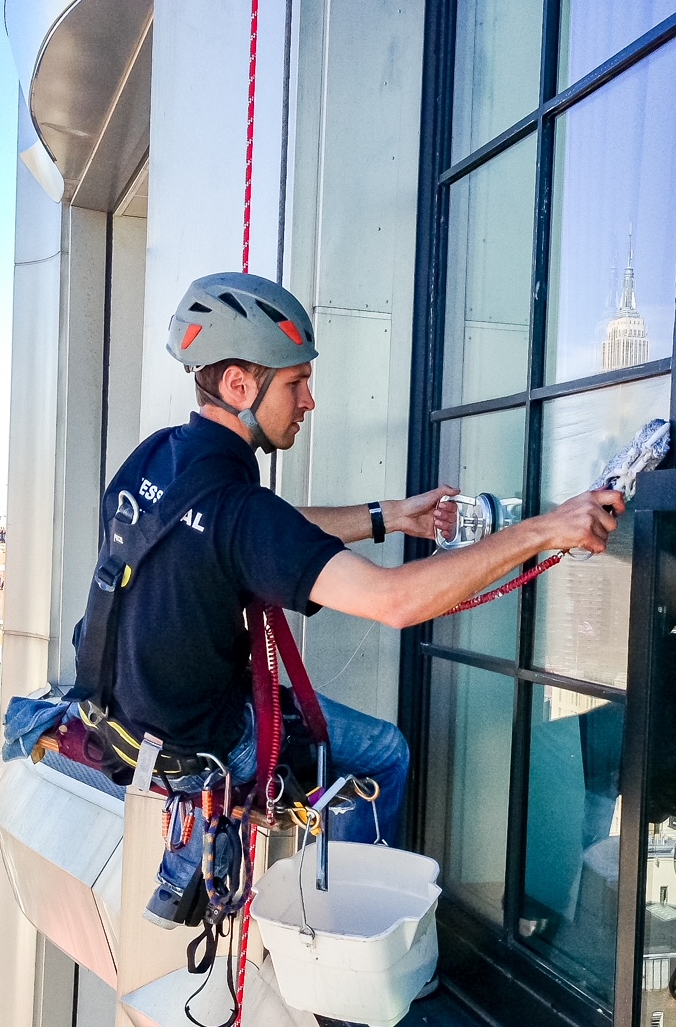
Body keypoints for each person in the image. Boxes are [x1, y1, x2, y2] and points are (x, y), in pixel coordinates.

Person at [98, 272, 622, 847]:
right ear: (239, 384)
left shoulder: (155, 460)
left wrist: (390, 516)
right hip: (201, 740)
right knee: (384, 755)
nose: (308, 401)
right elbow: (392, 601)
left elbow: (259, 538)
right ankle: (345, 920)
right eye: (296, 382)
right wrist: (545, 529)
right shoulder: (239, 512)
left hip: (125, 718)